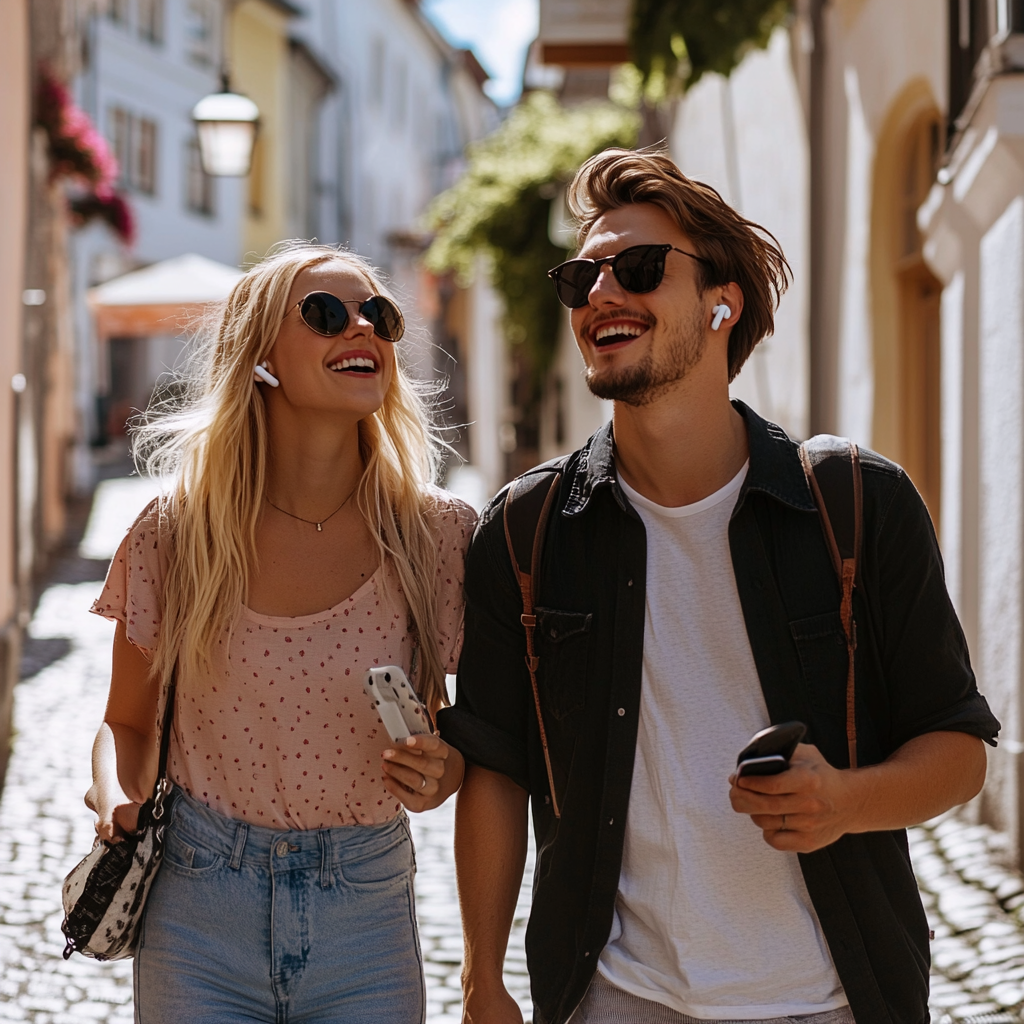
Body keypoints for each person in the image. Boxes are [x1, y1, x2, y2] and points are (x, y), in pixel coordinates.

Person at [442, 149, 1000, 1024]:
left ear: (721, 302)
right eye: (582, 276)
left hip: (830, 1000)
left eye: (637, 268)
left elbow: (959, 751)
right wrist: (482, 982)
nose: (600, 295)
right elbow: (496, 768)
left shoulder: (857, 503)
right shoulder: (528, 530)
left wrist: (845, 801)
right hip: (617, 998)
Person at [85, 242, 475, 1023]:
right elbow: (125, 722)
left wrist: (446, 770)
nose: (361, 328)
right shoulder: (179, 533)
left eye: (379, 315)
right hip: (198, 909)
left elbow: (473, 742)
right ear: (261, 357)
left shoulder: (437, 536)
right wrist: (115, 800)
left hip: (365, 913)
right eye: (326, 314)